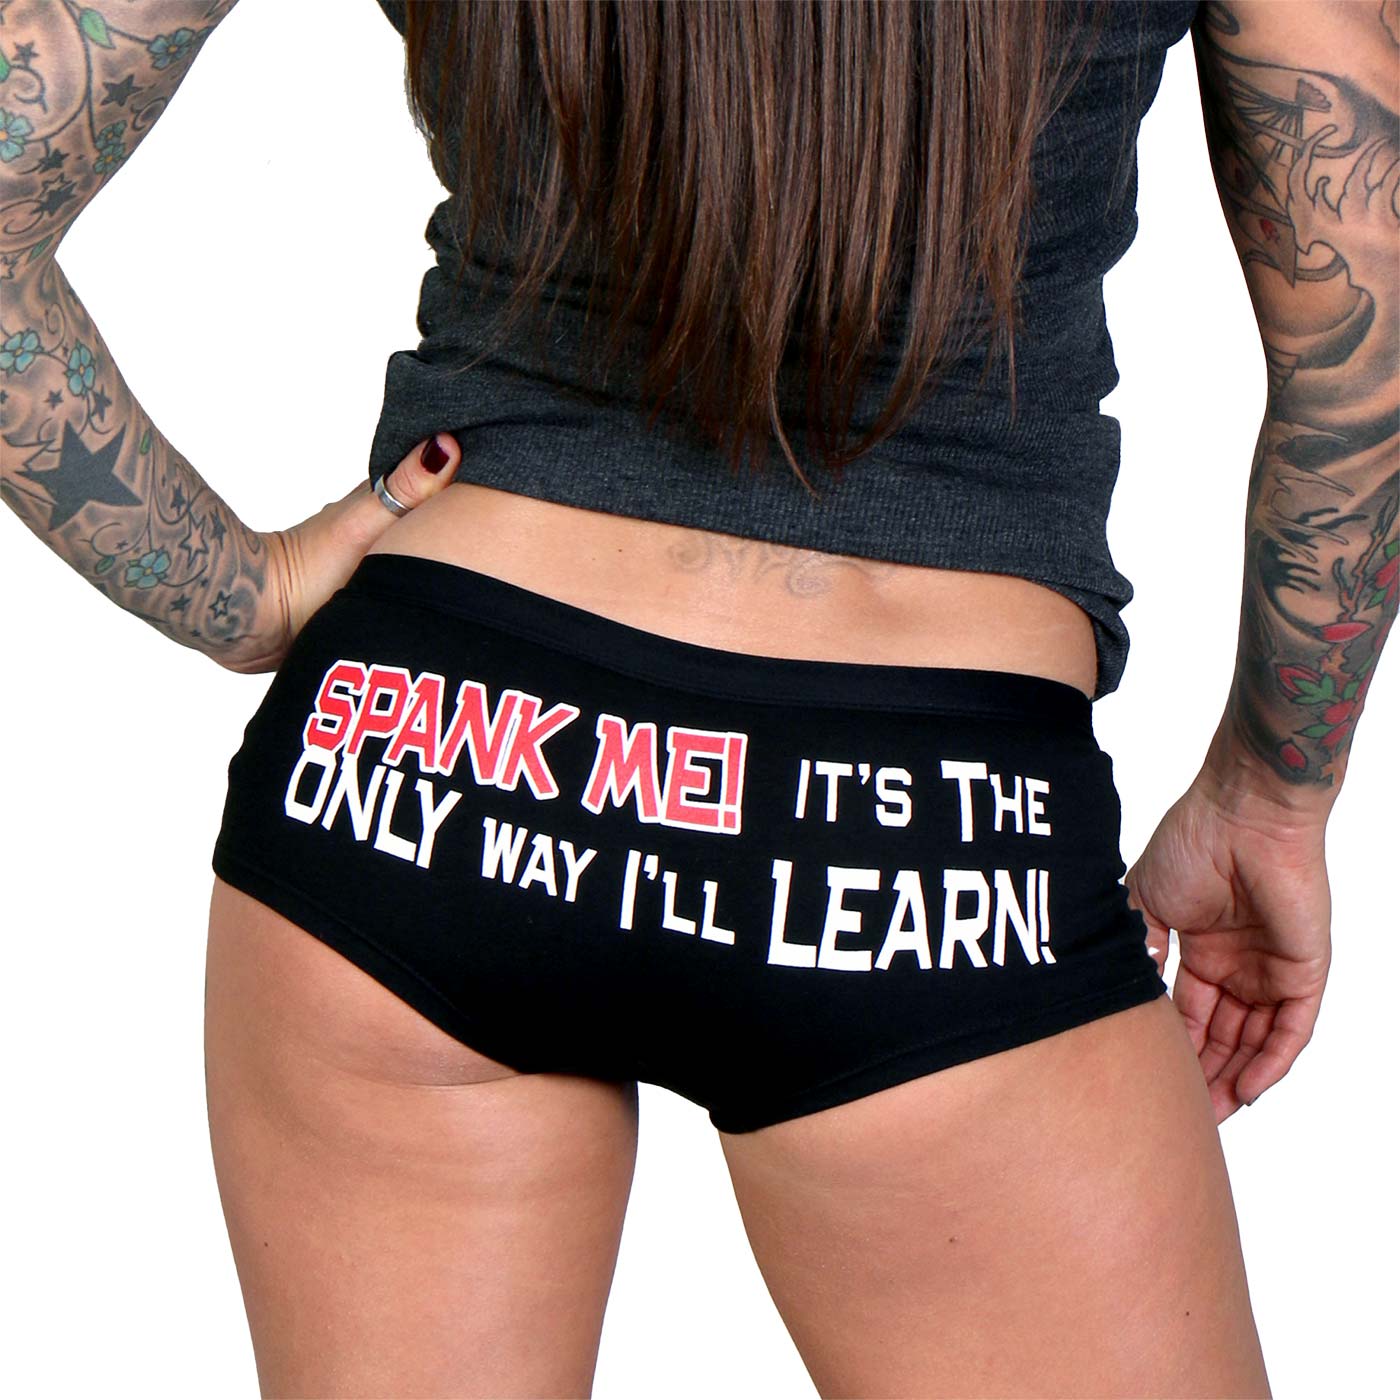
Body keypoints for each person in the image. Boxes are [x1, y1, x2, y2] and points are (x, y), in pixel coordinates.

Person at [1, 0, 1393, 1395]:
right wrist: (1273, 792)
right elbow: (1365, 333)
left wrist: (240, 593)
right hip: (914, 837)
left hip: (421, 764)